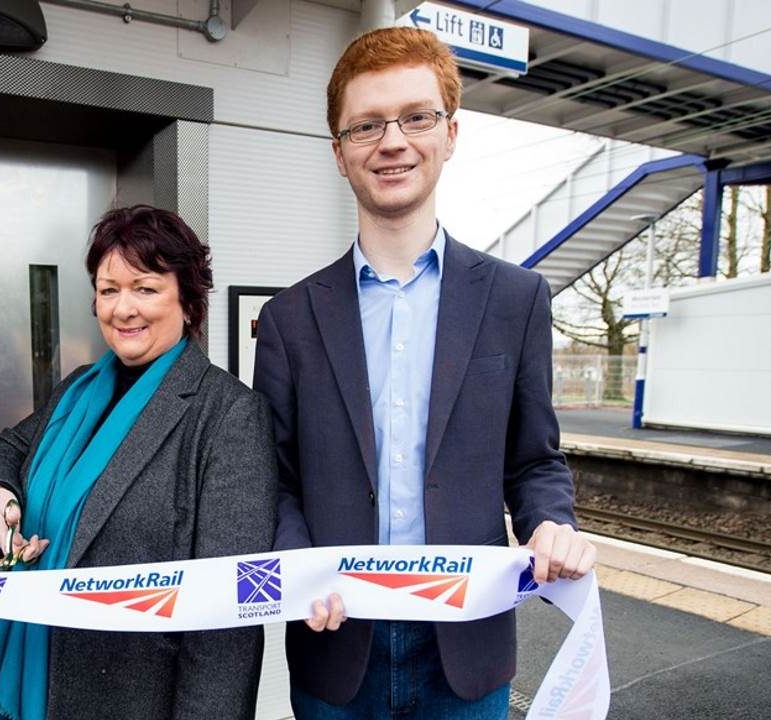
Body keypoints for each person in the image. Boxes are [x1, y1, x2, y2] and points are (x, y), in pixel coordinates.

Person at [253, 27, 597, 719]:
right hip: (335, 647)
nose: (392, 141)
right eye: (366, 125)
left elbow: (534, 462)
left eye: (416, 117)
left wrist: (550, 523)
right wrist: (300, 569)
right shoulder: (289, 318)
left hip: (467, 649)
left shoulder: (515, 299)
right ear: (339, 153)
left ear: (450, 133)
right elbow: (275, 478)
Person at [0, 205, 277, 720]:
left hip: (138, 701)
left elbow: (226, 616)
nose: (123, 308)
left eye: (146, 288)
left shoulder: (228, 415)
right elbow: (6, 447)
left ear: (187, 298)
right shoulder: (79, 390)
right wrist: (0, 498)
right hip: (38, 690)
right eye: (109, 290)